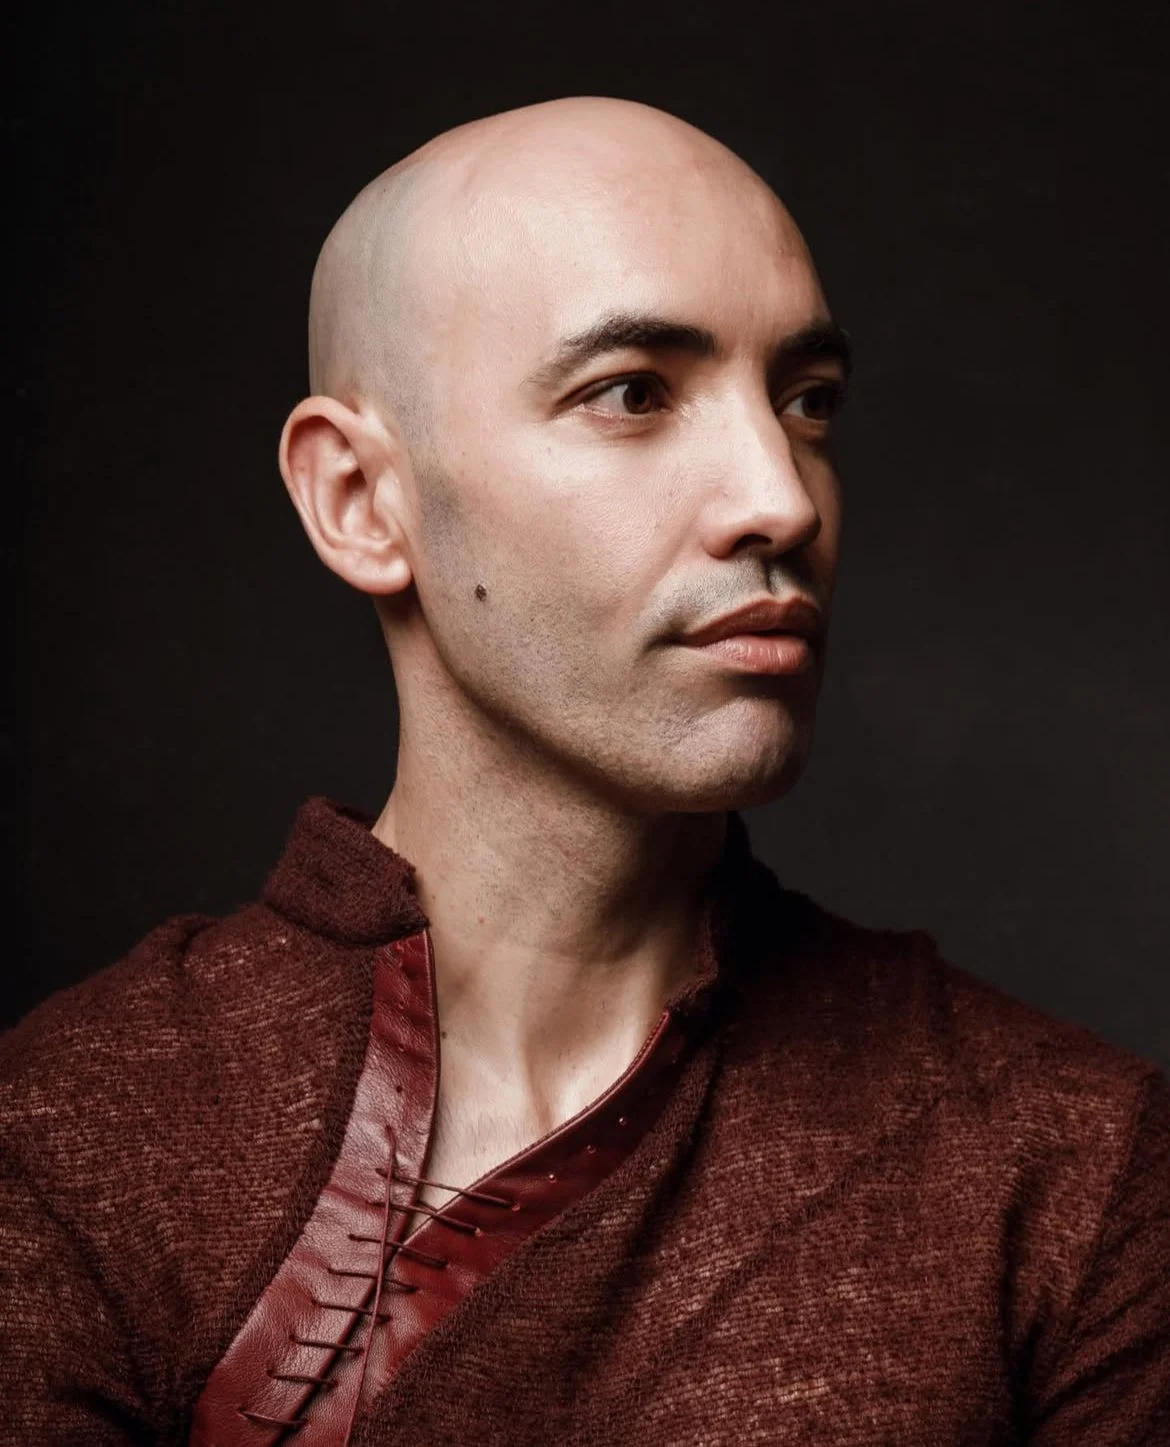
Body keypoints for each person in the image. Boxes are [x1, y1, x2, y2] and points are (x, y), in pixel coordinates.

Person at [2, 96, 1167, 1447]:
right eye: (632, 393)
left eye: (807, 402)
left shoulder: (1066, 1162)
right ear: (360, 500)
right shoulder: (71, 1139)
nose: (782, 498)